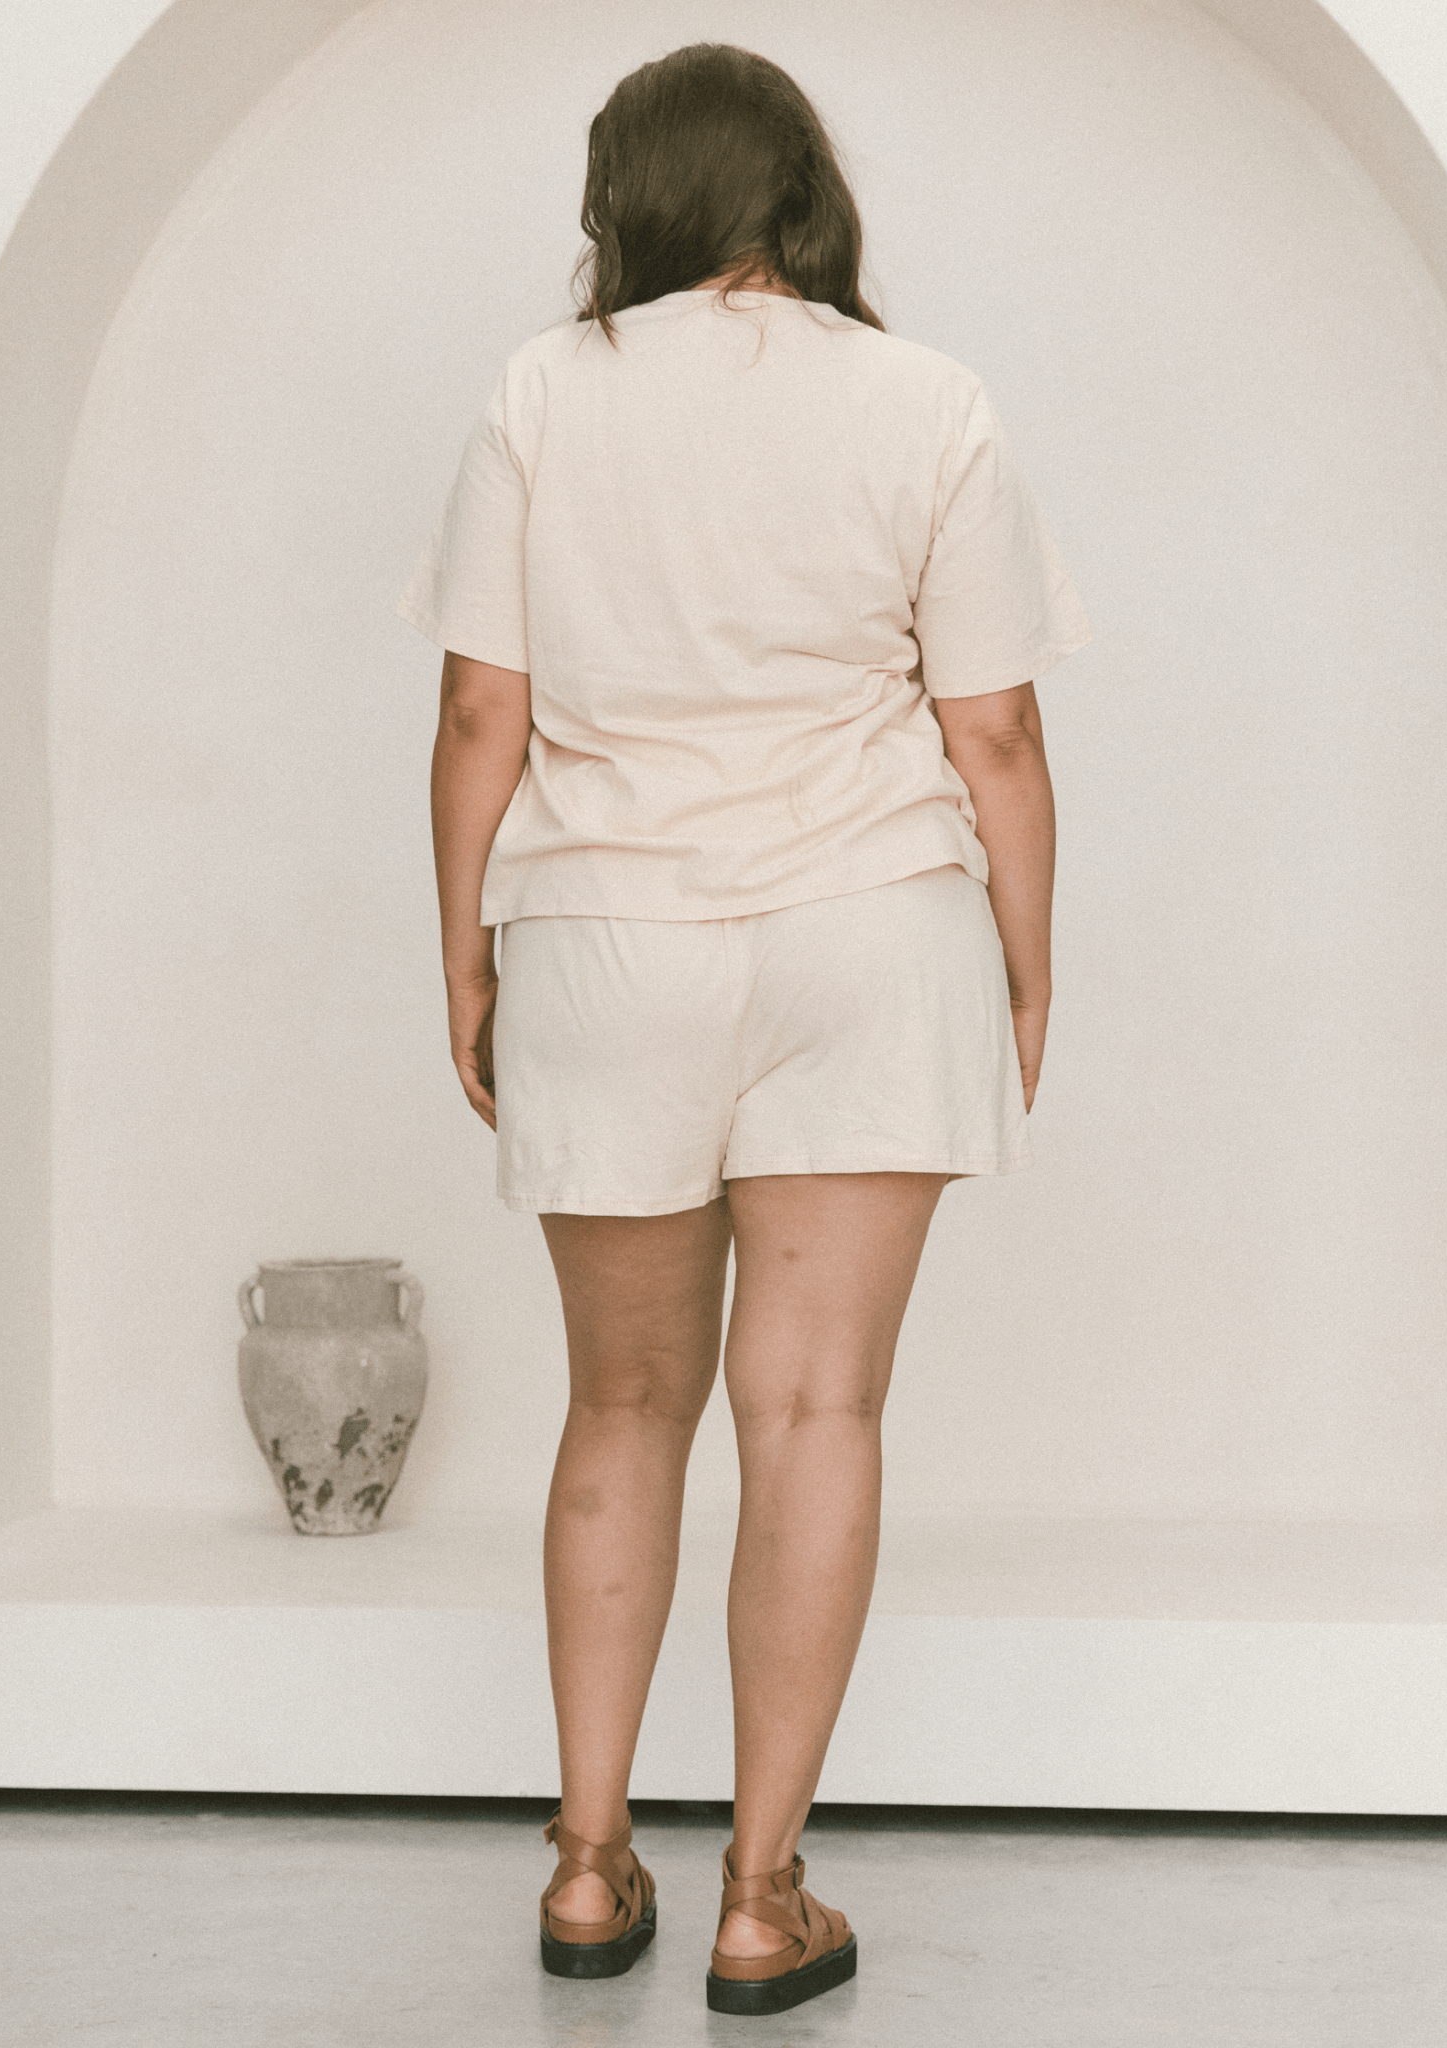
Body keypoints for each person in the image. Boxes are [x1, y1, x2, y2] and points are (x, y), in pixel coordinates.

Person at [397, 39, 1091, 2019]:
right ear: (803, 193)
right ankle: (764, 1900)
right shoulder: (927, 398)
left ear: (623, 198)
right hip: (871, 930)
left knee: (622, 1406)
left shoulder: (543, 390)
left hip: (607, 936)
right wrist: (1026, 960)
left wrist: (465, 951)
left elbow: (480, 710)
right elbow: (994, 732)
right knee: (816, 1416)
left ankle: (589, 1863)